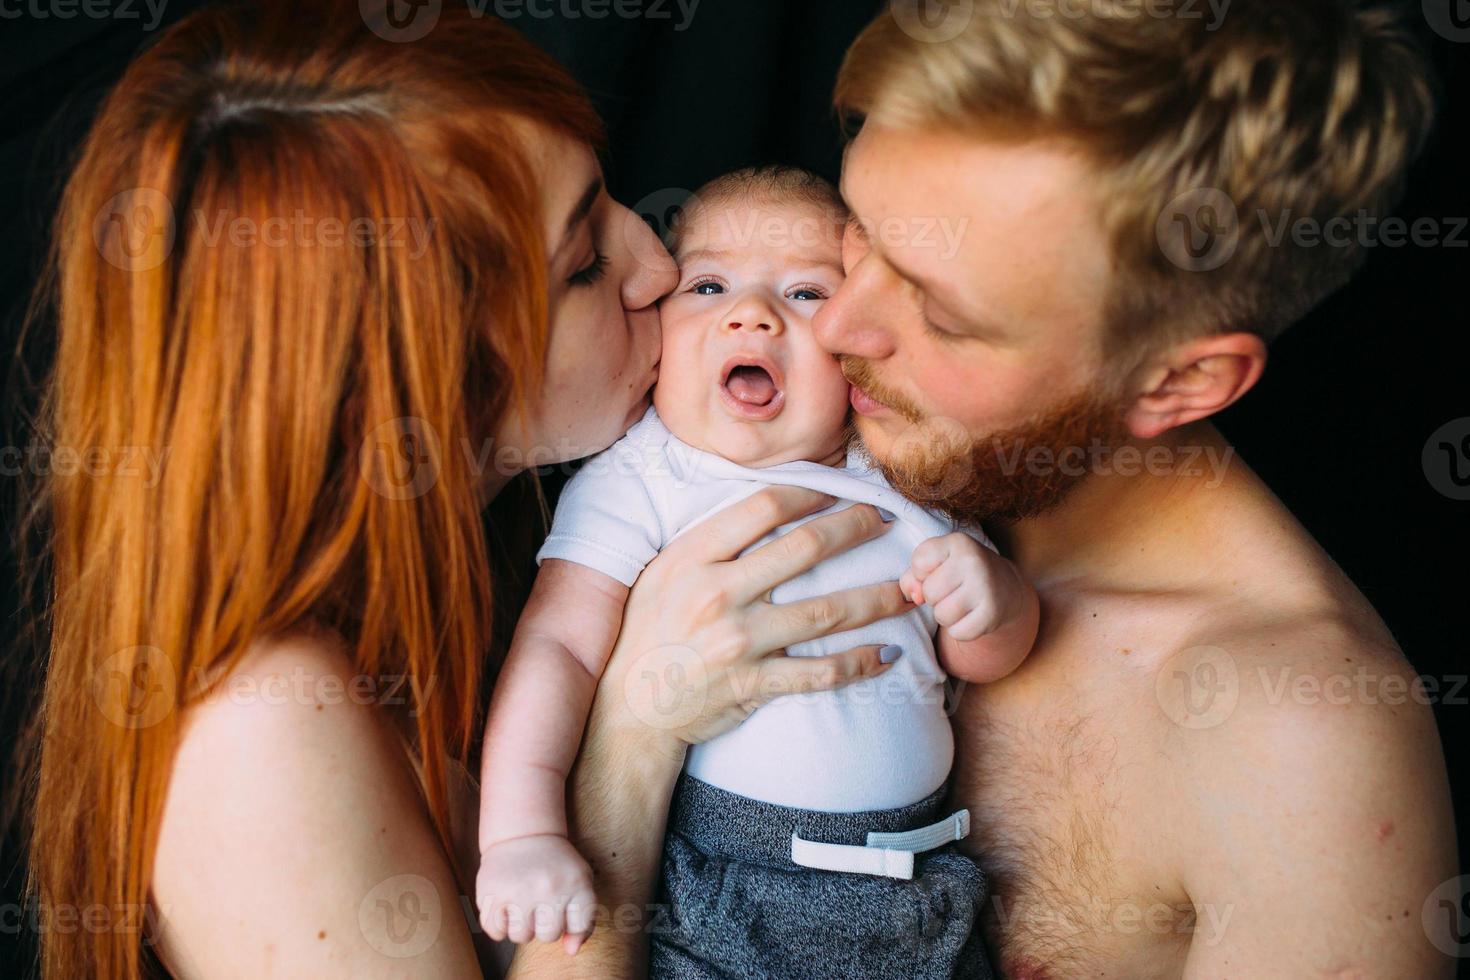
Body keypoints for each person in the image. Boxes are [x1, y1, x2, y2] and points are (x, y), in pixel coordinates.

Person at [512, 1, 1458, 978]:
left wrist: (629, 742)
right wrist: (628, 731)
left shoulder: (1295, 740)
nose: (836, 324)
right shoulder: (716, 440)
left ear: (1177, 381)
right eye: (862, 235)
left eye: (941, 312)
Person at [22, 4, 912, 978]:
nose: (657, 265)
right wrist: (633, 734)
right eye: (582, 265)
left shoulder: (491, 553)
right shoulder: (267, 739)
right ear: (421, 390)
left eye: (609, 196)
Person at [476, 166, 1037, 978]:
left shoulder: (898, 473)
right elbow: (557, 646)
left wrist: (994, 604)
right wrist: (523, 832)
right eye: (707, 284)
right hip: (712, 877)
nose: (751, 314)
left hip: (910, 887)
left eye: (807, 294)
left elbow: (982, 660)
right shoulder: (644, 476)